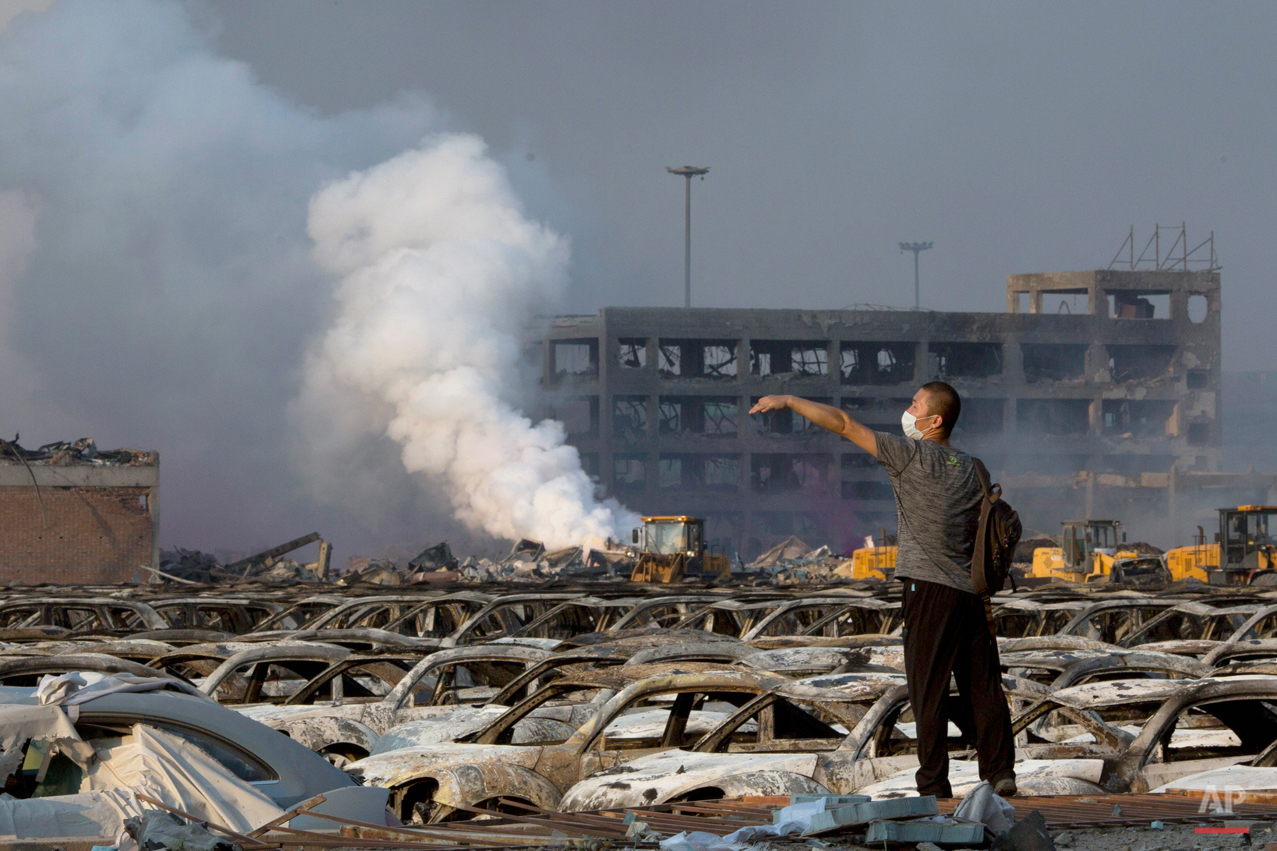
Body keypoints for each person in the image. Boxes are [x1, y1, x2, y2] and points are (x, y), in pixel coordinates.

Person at [749, 382, 1016, 798]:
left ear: (934, 421)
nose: (908, 410)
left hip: (927, 589)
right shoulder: (972, 468)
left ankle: (934, 784)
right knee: (982, 685)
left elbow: (843, 424)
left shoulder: (909, 455)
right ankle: (1000, 771)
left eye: (915, 405)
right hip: (970, 593)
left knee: (928, 689)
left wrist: (788, 400)